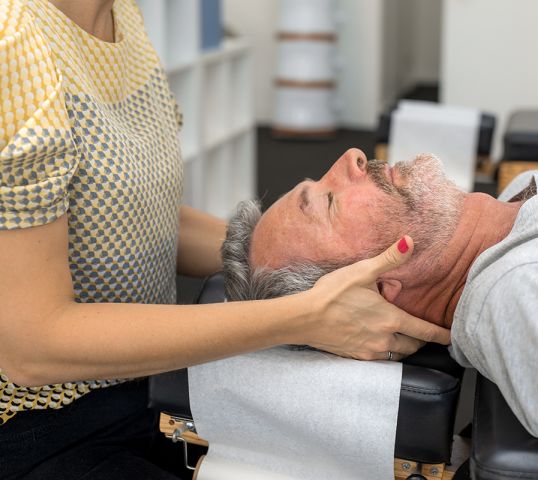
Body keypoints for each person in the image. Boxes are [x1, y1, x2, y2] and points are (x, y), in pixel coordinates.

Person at [0, 1, 451, 478]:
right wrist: (303, 316)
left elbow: (130, 219)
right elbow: (32, 347)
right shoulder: (13, 36)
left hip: (144, 388)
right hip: (36, 430)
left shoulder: (121, 15)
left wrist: (300, 265)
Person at [222, 132, 538, 462]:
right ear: (372, 292)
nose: (351, 156)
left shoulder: (512, 201)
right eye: (330, 202)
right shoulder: (530, 300)